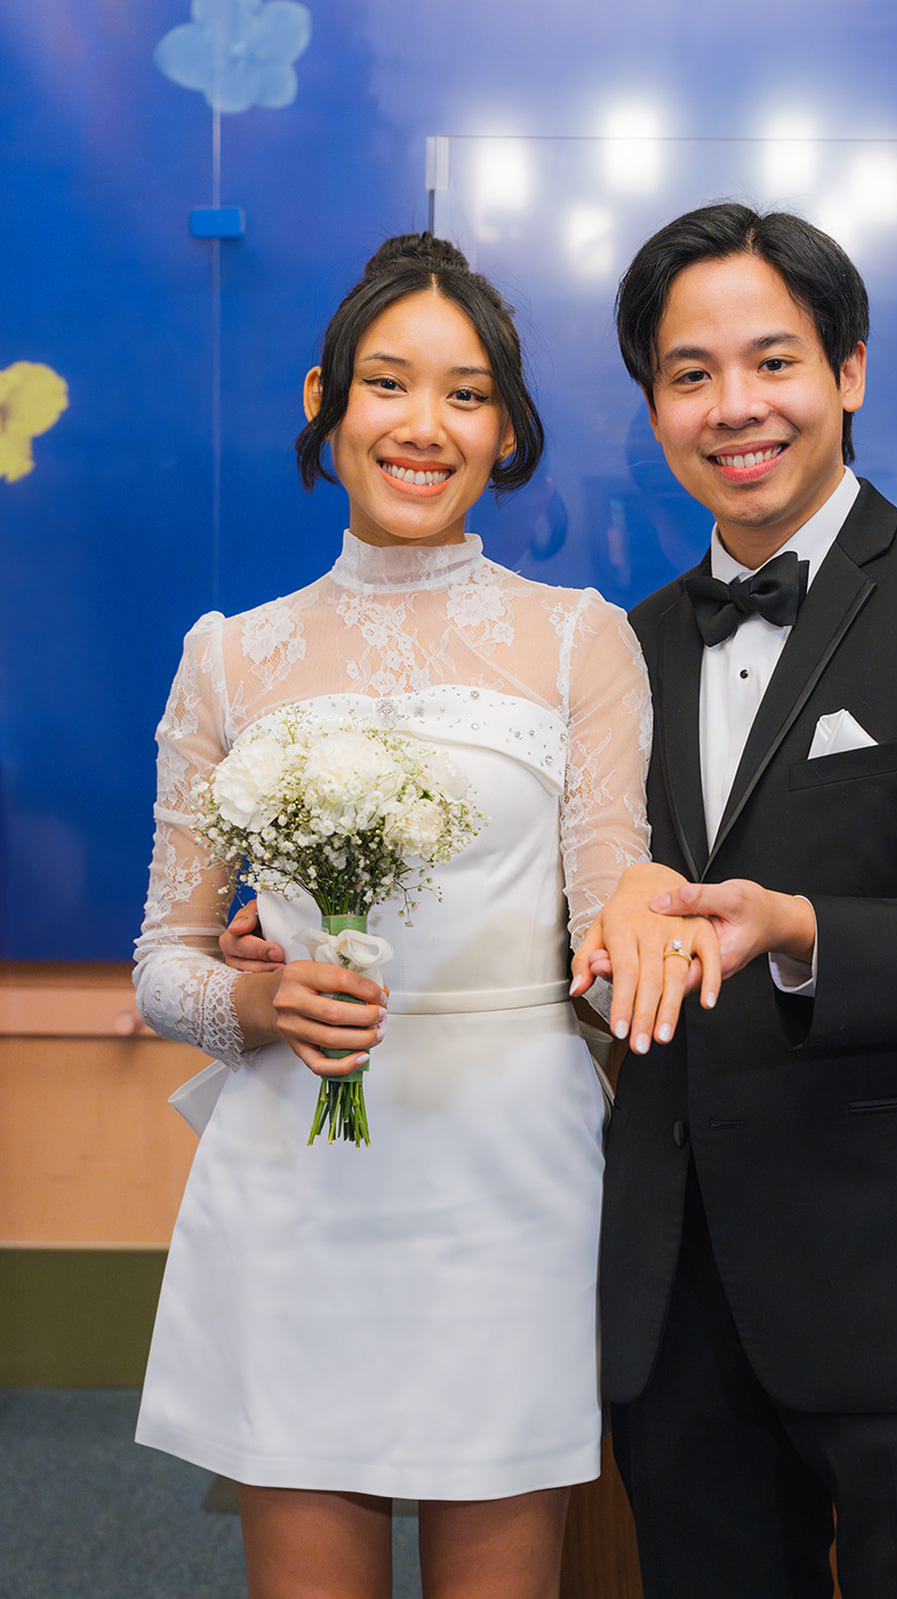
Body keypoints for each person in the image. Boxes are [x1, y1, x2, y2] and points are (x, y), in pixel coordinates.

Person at [133, 233, 714, 1599]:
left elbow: (609, 895)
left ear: (504, 430)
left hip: (509, 1173)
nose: (424, 425)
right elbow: (164, 962)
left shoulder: (581, 640)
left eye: (467, 394)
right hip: (295, 1173)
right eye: (388, 383)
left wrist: (641, 934)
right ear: (325, 401)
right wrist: (254, 999)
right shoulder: (228, 656)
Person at [569, 203, 897, 1598]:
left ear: (848, 370)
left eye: (774, 361)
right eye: (690, 374)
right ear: (653, 406)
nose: (735, 407)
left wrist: (800, 932)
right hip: (680, 1302)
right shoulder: (619, 650)